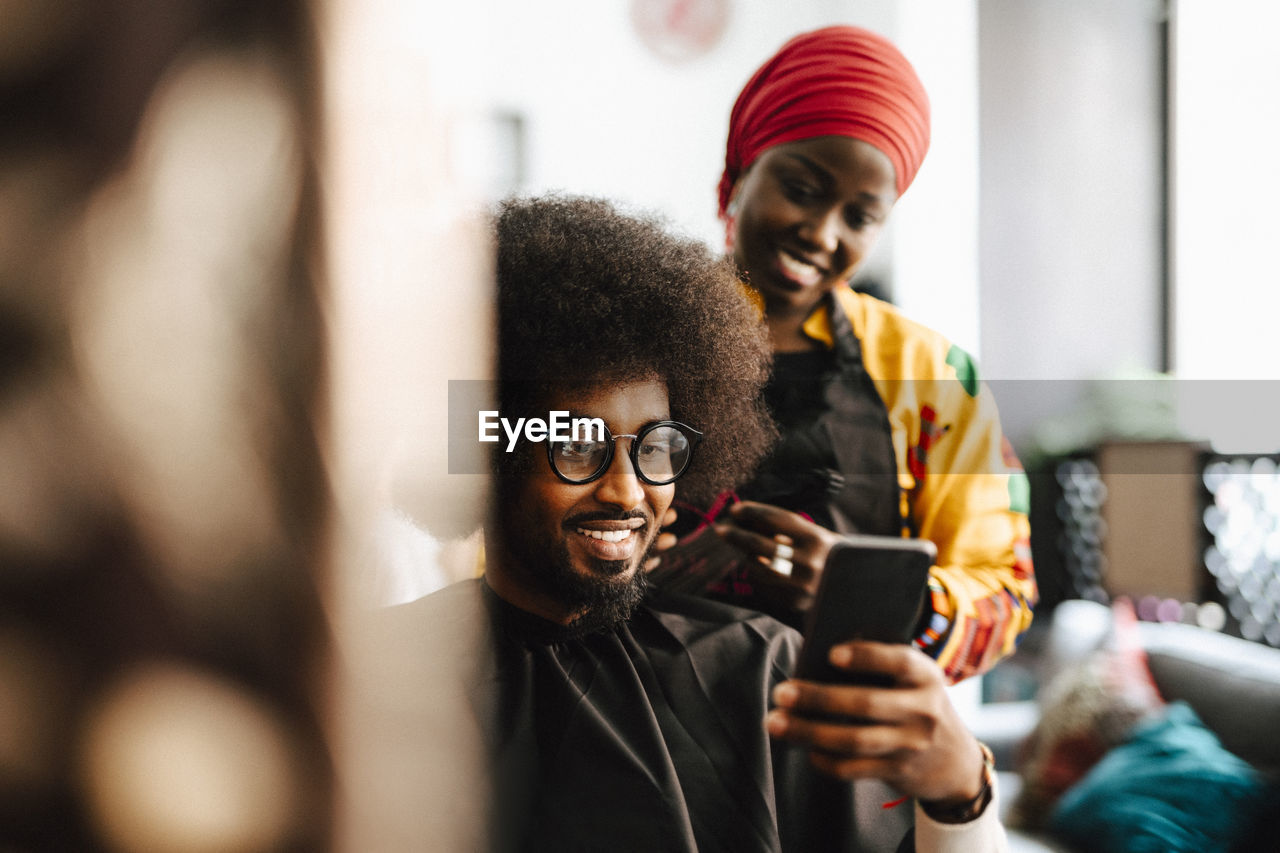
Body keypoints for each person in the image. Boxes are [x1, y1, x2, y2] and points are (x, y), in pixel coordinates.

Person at [397, 196, 1007, 852]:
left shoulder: (760, 669)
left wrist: (960, 789)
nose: (628, 490)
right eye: (576, 445)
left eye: (655, 446)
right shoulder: (377, 671)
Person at [663, 24, 1037, 684]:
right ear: (744, 166)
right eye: (801, 188)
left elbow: (1004, 593)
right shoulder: (634, 340)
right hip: (641, 735)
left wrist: (863, 592)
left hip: (845, 754)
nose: (821, 232)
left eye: (859, 216)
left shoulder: (934, 378)